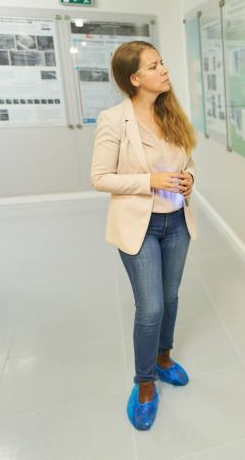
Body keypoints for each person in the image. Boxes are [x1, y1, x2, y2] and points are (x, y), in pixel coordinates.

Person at [90, 41, 198, 431]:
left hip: (177, 222)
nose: (164, 70)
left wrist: (188, 179)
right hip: (141, 225)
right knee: (150, 307)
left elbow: (186, 163)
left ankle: (164, 358)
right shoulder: (113, 119)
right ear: (134, 78)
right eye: (154, 66)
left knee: (170, 297)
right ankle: (145, 384)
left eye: (163, 63)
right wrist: (149, 181)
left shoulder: (170, 113)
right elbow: (100, 178)